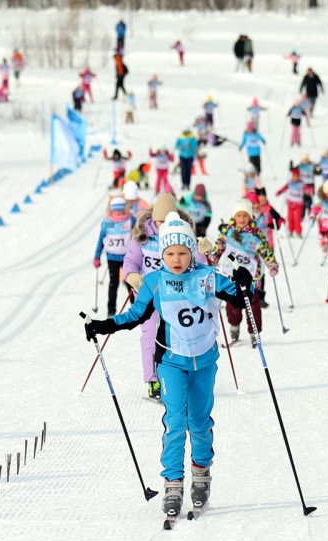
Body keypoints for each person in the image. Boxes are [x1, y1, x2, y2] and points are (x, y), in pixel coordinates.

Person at [84, 212, 249, 520]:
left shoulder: (208, 276)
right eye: (170, 253)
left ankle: (201, 472)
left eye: (183, 253)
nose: (176, 259)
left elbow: (240, 299)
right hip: (171, 361)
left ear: (191, 252)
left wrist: (244, 283)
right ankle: (173, 482)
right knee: (175, 421)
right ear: (162, 254)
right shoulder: (155, 281)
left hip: (205, 361)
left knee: (199, 422)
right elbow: (135, 316)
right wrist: (103, 325)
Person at [122, 194, 204, 399]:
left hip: (177, 296)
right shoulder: (142, 236)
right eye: (159, 221)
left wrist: (204, 251)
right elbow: (131, 260)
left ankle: (178, 377)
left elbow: (200, 265)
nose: (162, 225)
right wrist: (131, 274)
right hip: (149, 295)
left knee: (177, 336)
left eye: (166, 221)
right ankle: (153, 379)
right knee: (150, 335)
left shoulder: (183, 235)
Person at [207, 201, 279, 347]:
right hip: (231, 277)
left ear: (250, 216)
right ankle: (234, 328)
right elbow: (218, 249)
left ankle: (254, 333)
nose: (241, 218)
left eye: (245, 215)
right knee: (233, 306)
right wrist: (212, 259)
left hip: (252, 278)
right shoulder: (227, 232)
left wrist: (272, 265)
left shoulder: (257, 234)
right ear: (235, 216)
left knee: (253, 307)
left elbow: (266, 252)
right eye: (239, 215)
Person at [275, 167, 306, 236]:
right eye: (294, 176)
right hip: (290, 203)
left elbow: (307, 189)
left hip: (298, 204)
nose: (295, 178)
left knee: (297, 218)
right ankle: (290, 230)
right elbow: (284, 188)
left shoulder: (301, 184)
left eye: (297, 176)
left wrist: (309, 190)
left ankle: (298, 232)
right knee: (290, 218)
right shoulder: (290, 183)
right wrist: (279, 192)